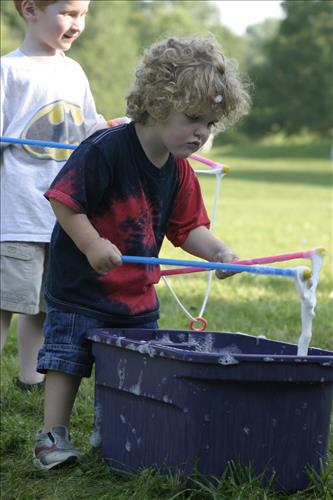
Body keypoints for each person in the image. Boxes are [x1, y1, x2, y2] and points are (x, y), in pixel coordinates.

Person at [33, 34, 251, 470]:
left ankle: (115, 430)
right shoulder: (107, 149)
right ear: (156, 103)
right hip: (82, 287)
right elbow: (64, 200)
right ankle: (51, 436)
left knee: (132, 365)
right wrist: (93, 244)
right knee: (67, 359)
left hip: (135, 295)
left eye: (210, 123)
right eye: (193, 119)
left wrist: (220, 253)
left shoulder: (179, 170)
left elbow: (189, 228)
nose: (202, 133)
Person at [0, 0, 108, 390]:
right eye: (68, 13)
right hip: (17, 215)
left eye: (83, 15)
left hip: (61, 215)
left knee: (45, 304)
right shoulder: (8, 70)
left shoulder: (74, 71)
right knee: (6, 303)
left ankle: (30, 376)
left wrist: (113, 130)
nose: (77, 24)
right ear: (30, 10)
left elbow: (87, 130)